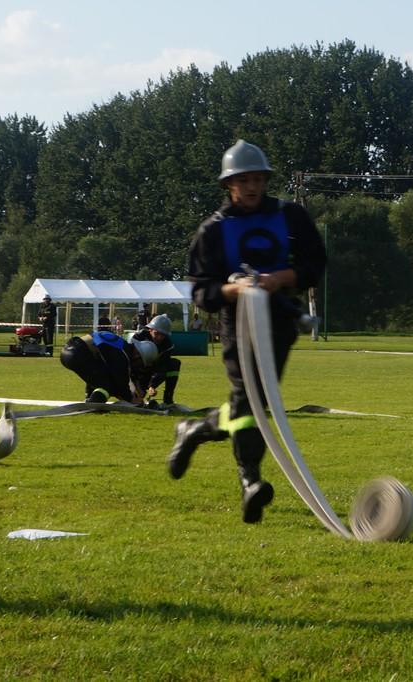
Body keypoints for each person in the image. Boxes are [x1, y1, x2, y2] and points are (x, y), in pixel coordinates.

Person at [166, 139, 327, 524]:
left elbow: (316, 264)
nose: (252, 187)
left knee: (255, 401)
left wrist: (280, 278)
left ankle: (194, 430)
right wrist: (234, 289)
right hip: (237, 324)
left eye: (257, 179)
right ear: (229, 185)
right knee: (248, 400)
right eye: (243, 181)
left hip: (280, 321)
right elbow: (201, 291)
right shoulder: (212, 231)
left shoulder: (291, 217)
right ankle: (249, 480)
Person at [59, 330, 160, 403]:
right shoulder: (122, 355)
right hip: (77, 354)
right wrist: (131, 399)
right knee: (109, 386)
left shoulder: (121, 346)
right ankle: (93, 403)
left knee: (101, 376)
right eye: (140, 363)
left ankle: (90, 398)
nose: (138, 366)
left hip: (69, 351)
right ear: (138, 355)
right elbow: (121, 381)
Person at [132, 314, 182, 406]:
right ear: (150, 329)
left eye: (162, 335)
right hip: (136, 374)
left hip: (152, 373)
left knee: (174, 363)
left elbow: (162, 368)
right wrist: (136, 386)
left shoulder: (167, 345)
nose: (159, 337)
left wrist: (152, 386)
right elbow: (130, 364)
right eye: (156, 333)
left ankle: (168, 399)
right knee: (137, 397)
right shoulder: (138, 338)